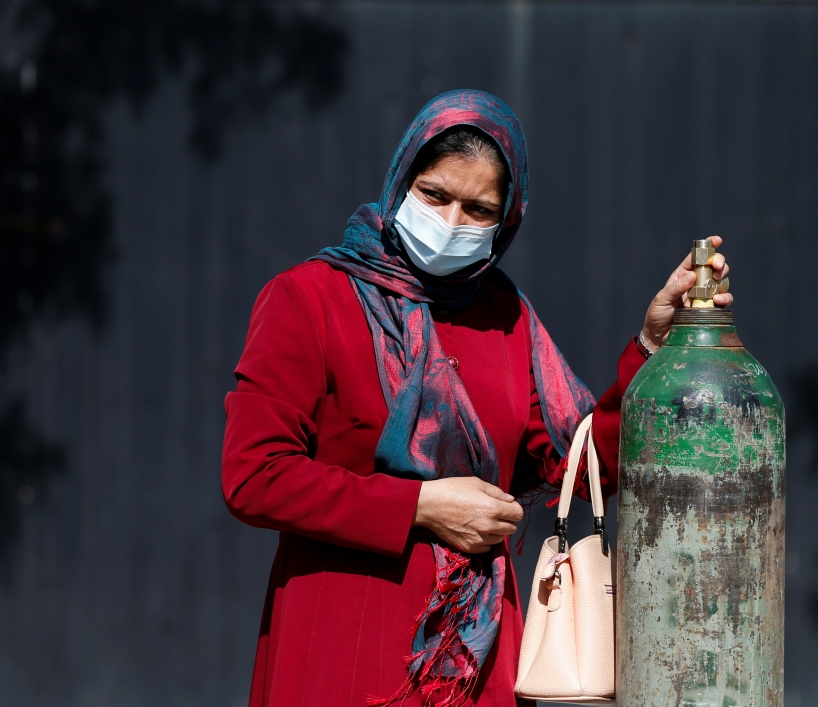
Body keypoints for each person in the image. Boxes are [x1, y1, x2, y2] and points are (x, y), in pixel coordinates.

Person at [221, 90, 731, 707]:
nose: (452, 222)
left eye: (478, 209)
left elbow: (577, 468)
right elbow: (255, 476)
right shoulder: (309, 299)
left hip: (478, 657)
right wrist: (420, 504)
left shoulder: (506, 316)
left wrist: (651, 348)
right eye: (435, 196)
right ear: (401, 181)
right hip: (344, 639)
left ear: (507, 219)